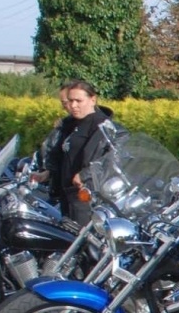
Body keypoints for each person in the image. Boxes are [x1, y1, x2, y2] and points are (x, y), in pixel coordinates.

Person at [33, 79, 121, 225]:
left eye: (78, 101)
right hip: (67, 195)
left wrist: (85, 174)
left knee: (83, 244)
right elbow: (63, 156)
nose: (73, 105)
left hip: (88, 198)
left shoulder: (106, 128)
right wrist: (47, 174)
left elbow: (114, 159)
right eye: (70, 101)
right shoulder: (69, 125)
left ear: (92, 99)